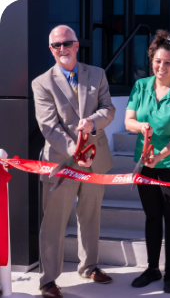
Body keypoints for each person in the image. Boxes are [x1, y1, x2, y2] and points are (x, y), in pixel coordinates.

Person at [33, 25, 116, 298]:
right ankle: (48, 280)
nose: (62, 49)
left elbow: (109, 109)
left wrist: (93, 122)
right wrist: (76, 151)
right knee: (54, 223)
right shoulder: (42, 83)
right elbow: (48, 126)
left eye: (67, 43)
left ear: (77, 45)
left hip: (95, 160)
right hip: (61, 161)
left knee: (91, 217)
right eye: (56, 45)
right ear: (50, 50)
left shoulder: (98, 74)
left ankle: (89, 266)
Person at [124, 30, 170, 293]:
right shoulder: (140, 86)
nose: (161, 67)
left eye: (167, 62)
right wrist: (141, 126)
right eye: (157, 61)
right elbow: (128, 120)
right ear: (151, 60)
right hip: (145, 162)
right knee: (152, 216)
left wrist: (161, 155)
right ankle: (153, 268)